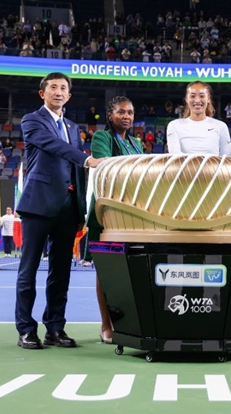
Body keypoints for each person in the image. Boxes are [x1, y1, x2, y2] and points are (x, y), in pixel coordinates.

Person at [14, 72, 103, 350]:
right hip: (38, 205)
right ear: (43, 93)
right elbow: (55, 147)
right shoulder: (32, 120)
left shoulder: (73, 127)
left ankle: (55, 327)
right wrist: (88, 160)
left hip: (68, 208)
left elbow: (76, 170)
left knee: (61, 272)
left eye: (63, 88)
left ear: (69, 95)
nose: (58, 91)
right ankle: (26, 329)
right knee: (28, 271)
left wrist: (80, 209)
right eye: (53, 87)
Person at [84, 96, 143, 344]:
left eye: (130, 112)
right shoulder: (101, 138)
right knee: (106, 271)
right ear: (110, 115)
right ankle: (106, 324)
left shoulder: (136, 142)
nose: (126, 116)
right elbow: (107, 167)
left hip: (133, 212)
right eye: (121, 112)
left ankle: (129, 323)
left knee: (131, 272)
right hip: (107, 212)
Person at [166, 81, 231, 156]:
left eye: (202, 96)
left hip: (213, 168)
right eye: (193, 96)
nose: (197, 100)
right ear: (186, 99)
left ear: (208, 99)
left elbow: (227, 159)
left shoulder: (221, 126)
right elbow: (175, 157)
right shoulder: (174, 126)